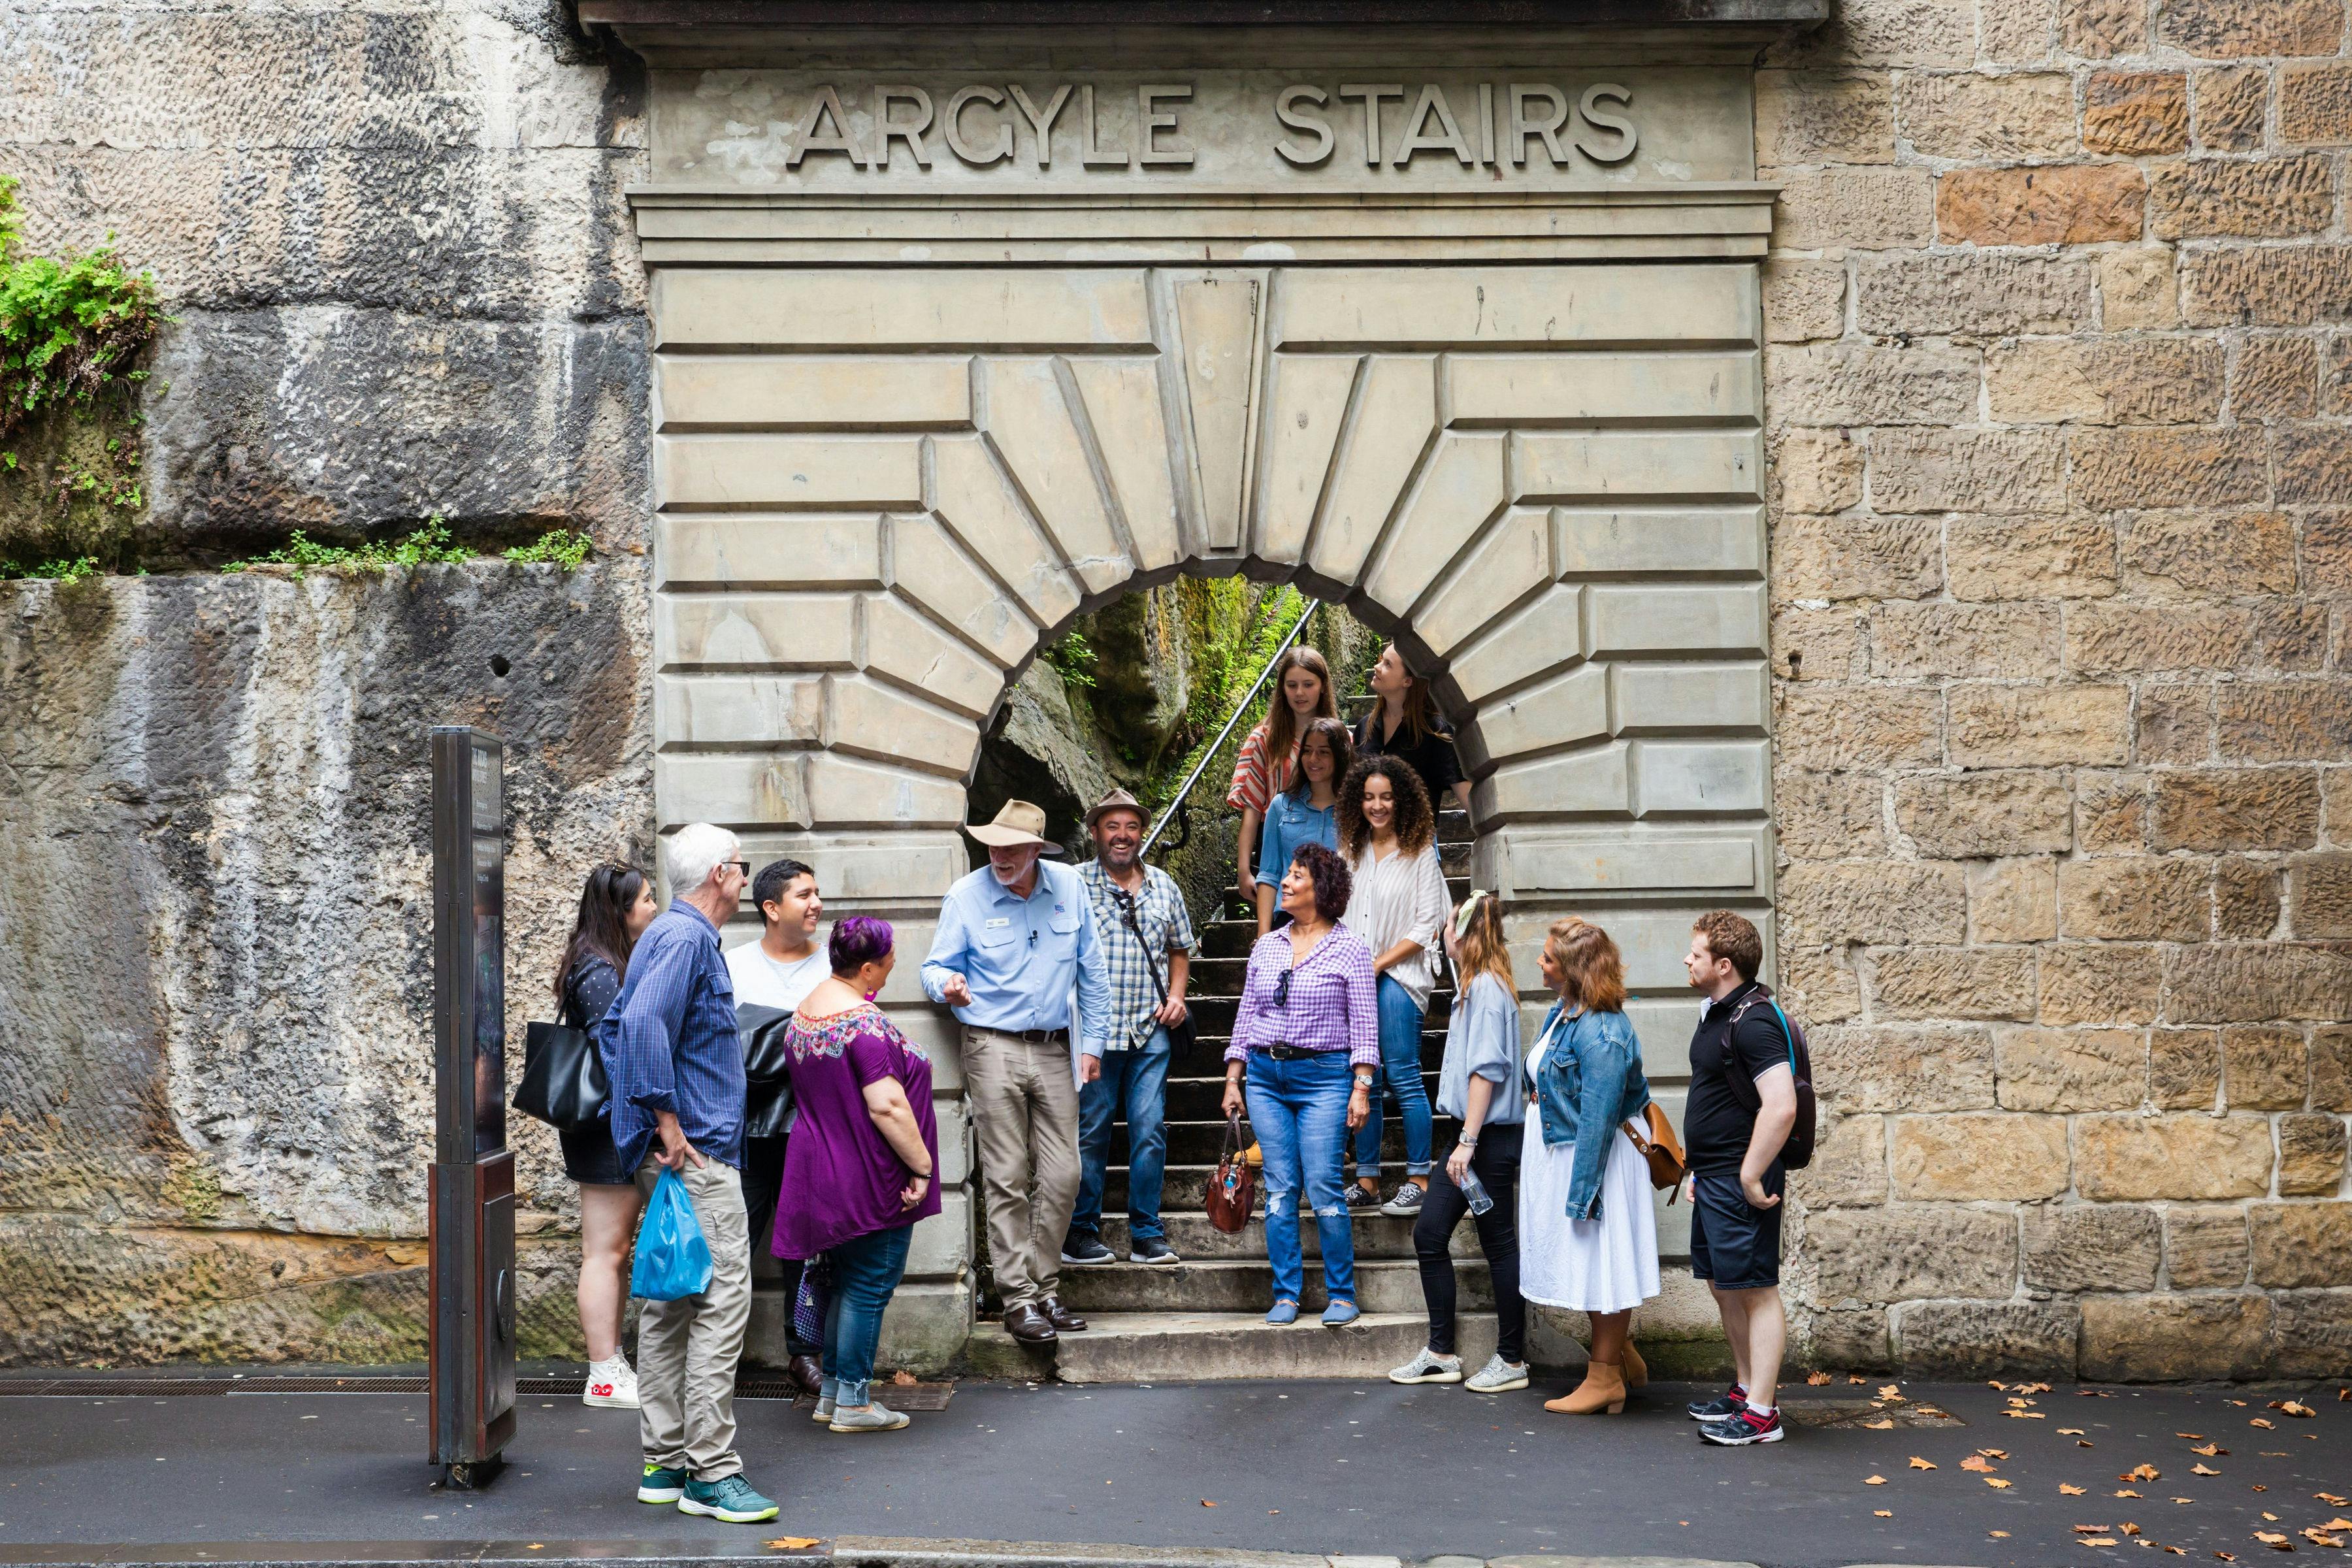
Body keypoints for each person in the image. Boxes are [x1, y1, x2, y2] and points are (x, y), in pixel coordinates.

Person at [594, 823, 778, 1524]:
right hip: (694, 1153)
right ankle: (711, 1473)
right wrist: (668, 1124)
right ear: (723, 874)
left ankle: (665, 1464)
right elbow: (638, 1025)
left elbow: (619, 1027)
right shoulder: (687, 937)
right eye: (742, 868)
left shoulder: (670, 935)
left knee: (672, 1306)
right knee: (719, 1305)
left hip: (675, 1152)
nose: (745, 879)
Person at [920, 800, 1112, 1345]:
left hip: (1056, 1047)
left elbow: (1091, 972)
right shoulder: (966, 896)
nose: (999, 855)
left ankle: (1045, 1286)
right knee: (1007, 1174)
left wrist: (1092, 1044)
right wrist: (947, 986)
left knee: (1065, 1174)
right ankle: (1019, 1299)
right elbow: (934, 967)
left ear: (1037, 850)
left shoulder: (1069, 888)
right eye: (993, 845)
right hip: (992, 1044)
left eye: (1011, 847)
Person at [771, 917, 941, 1433]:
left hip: (820, 1167)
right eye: (888, 967)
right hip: (868, 1175)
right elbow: (887, 1105)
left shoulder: (807, 1013)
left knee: (845, 1282)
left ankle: (832, 1394)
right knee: (870, 1284)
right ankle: (856, 1403)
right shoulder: (862, 1024)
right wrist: (922, 1165)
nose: (890, 975)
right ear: (867, 968)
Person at [1220, 843, 1378, 1327]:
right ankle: (1286, 1293)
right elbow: (1246, 1015)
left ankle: (1342, 1294)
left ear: (1320, 888)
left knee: (1325, 1185)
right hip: (1267, 1078)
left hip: (1324, 1080)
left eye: (1295, 876)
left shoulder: (1350, 949)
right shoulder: (1267, 946)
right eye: (1286, 875)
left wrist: (1361, 1086)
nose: (1284, 883)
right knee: (1281, 1189)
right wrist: (1233, 1078)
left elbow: (1365, 1026)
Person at [1519, 917, 1660, 1416]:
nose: (1540, 962)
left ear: (1574, 970)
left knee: (1601, 1262)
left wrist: (1583, 1193)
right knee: (1586, 1263)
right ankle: (1620, 1358)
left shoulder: (1602, 1032)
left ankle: (1605, 1380)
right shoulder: (1563, 1012)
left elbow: (1599, 1122)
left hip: (1594, 1159)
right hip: (1563, 1152)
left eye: (1549, 958)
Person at [1389, 890, 1528, 1394]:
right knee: (1430, 1235)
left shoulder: (1488, 989)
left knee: (1499, 1247)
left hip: (1483, 1140)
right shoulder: (1474, 986)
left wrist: (1467, 1143)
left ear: (1464, 934)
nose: (1443, 933)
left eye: (1450, 925)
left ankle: (1512, 1360)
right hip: (1471, 1137)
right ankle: (1442, 1353)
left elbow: (1486, 1073)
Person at [1065, 789, 1197, 1268]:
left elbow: (1180, 949)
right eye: (1111, 827)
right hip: (1095, 1033)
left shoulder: (1164, 886)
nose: (1122, 836)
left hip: (1149, 1028)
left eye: (1131, 827)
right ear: (1096, 832)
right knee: (1091, 1131)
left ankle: (1146, 1234)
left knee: (1150, 1129)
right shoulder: (1073, 884)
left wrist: (1178, 997)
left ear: (1142, 833)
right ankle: (1080, 1233)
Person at [1680, 909, 1796, 1446]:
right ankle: (1746, 1388)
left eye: (1697, 953)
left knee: (1756, 1289)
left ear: (1724, 965)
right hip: (1714, 1175)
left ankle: (1762, 1414)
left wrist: (1750, 1174)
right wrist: (1695, 1169)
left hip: (1740, 1177)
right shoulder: (1716, 1014)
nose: (1687, 959)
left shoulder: (1755, 1020)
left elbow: (1781, 1106)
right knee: (1725, 1285)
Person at [554, 862, 661, 1410]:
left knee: (613, 1251)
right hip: (605, 1128)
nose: (653, 908)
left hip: (608, 1126)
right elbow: (613, 1054)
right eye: (645, 900)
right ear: (619, 912)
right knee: (605, 1251)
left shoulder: (602, 962)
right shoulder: (598, 970)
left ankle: (611, 1364)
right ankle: (603, 1373)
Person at [725, 858, 828, 1396]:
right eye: (803, 895)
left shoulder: (833, 964)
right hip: (746, 1127)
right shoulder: (732, 962)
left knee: (808, 1247)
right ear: (771, 908)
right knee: (733, 1239)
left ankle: (804, 1351)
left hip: (815, 1126)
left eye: (817, 893)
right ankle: (715, 1351)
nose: (816, 903)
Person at [1335, 754, 1450, 1217]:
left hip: (1400, 975)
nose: (1377, 806)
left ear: (1400, 800)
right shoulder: (1351, 851)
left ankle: (1419, 1178)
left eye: (1385, 797)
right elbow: (1338, 913)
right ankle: (1368, 1180)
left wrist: (1378, 964)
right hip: (1357, 975)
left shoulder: (1420, 849)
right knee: (1365, 1075)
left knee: (1401, 1072)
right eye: (1368, 797)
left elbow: (1428, 924)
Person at [1227, 645, 1338, 901]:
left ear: (1323, 686)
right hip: (1278, 845)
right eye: (1292, 685)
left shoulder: (1341, 739)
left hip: (1329, 840)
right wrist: (1244, 870)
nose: (1300, 693)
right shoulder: (1264, 739)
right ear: (1282, 689)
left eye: (1308, 684)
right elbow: (1252, 807)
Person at [1254, 717, 1352, 937]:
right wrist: (1263, 934)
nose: (1313, 759)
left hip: (1344, 920)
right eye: (1307, 751)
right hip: (1290, 919)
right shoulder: (1281, 806)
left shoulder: (1356, 810)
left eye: (1323, 752)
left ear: (1340, 755)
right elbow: (1269, 874)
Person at [1356, 641, 1472, 815]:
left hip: (1416, 837)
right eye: (1382, 660)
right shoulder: (1365, 726)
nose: (1377, 667)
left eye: (1388, 664)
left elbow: (1464, 791)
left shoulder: (1435, 730)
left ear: (1408, 681)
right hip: (1371, 837)